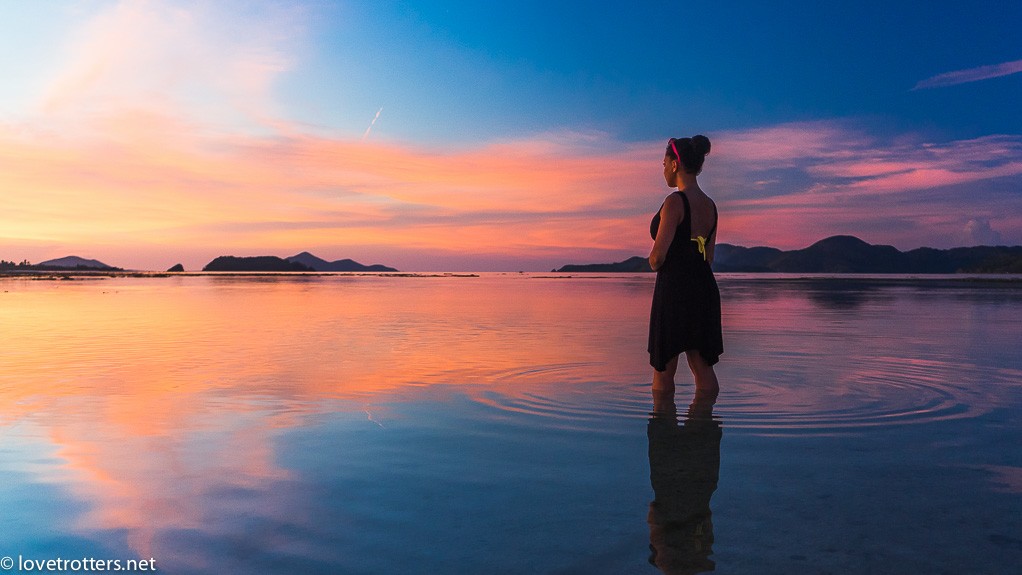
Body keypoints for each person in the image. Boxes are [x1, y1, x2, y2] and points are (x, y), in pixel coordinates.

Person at [648, 135, 722, 394]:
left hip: (674, 291)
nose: (663, 169)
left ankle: (663, 430)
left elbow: (657, 258)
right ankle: (705, 427)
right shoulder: (711, 206)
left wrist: (653, 262)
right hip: (704, 288)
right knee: (702, 366)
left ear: (675, 164)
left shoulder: (675, 202)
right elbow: (709, 256)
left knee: (663, 369)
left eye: (664, 162)